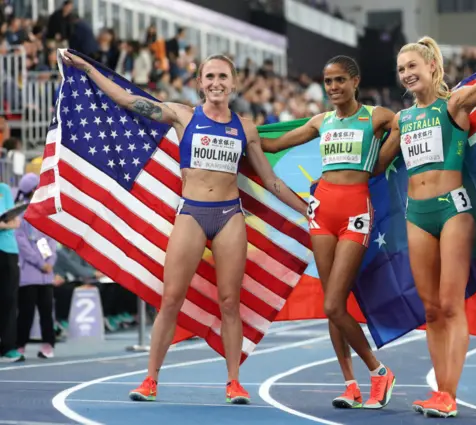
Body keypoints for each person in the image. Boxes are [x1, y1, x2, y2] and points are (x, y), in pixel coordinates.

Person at [61, 50, 308, 404]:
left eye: (223, 77)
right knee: (171, 299)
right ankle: (150, 379)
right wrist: (87, 68)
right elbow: (127, 100)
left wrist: (307, 208)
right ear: (199, 83)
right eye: (210, 77)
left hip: (229, 217)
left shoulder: (245, 127)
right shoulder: (182, 115)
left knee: (229, 302)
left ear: (235, 84)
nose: (216, 83)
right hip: (192, 213)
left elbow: (270, 181)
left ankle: (234, 382)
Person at [375, 37, 476, 418]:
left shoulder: (454, 104)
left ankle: (448, 393)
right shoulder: (403, 120)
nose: (406, 74)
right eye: (401, 69)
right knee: (431, 311)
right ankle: (439, 394)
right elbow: (376, 166)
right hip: (416, 215)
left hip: (453, 211)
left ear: (432, 66)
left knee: (451, 305)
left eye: (412, 66)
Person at [261, 55, 397, 409]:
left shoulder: (376, 116)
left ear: (355, 81)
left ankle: (379, 371)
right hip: (322, 211)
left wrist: (381, 161)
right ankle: (350, 385)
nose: (333, 88)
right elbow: (275, 145)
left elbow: (403, 126)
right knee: (331, 306)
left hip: (355, 211)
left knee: (334, 304)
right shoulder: (321, 121)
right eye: (328, 82)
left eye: (339, 80)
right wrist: (233, 131)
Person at [14, 173, 59, 359]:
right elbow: (23, 244)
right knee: (26, 311)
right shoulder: (20, 215)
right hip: (29, 274)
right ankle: (19, 345)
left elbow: (51, 240)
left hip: (45, 276)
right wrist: (41, 263)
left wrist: (49, 263)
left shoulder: (44, 212)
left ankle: (48, 344)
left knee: (47, 311)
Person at [0, 181, 22, 362]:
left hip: (8, 250)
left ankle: (8, 347)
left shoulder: (4, 189)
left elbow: (14, 220)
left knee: (9, 299)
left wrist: (4, 224)